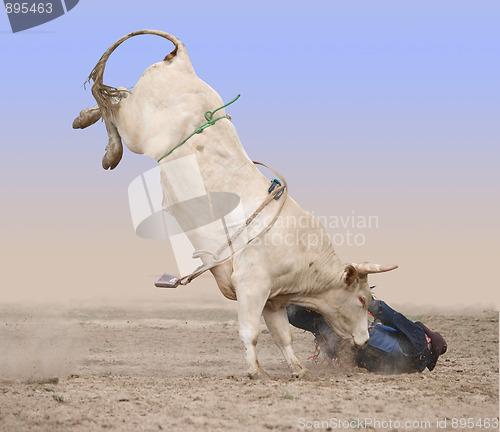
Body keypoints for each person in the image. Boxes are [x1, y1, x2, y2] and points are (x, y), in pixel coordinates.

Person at [287, 297, 447, 374]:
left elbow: (393, 317)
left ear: (429, 341)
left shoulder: (419, 338)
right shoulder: (412, 368)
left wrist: (366, 299)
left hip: (354, 330)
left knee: (312, 305)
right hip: (342, 346)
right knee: (311, 321)